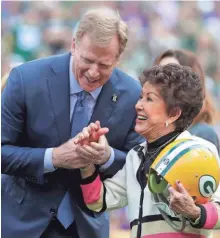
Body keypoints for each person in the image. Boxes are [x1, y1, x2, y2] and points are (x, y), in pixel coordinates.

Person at [1, 7, 144, 238]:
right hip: (22, 224)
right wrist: (54, 157)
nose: (93, 72)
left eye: (105, 65)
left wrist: (106, 156)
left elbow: (141, 165)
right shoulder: (26, 80)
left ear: (118, 59)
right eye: (87, 60)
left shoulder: (132, 94)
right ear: (74, 45)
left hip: (86, 227)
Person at [77, 64, 220, 238]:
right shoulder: (135, 156)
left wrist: (195, 212)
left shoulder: (199, 151)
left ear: (174, 114)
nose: (138, 105)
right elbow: (98, 201)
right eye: (140, 97)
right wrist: (87, 162)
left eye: (149, 99)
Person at [154, 49, 220, 154]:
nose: (162, 80)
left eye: (170, 74)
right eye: (157, 72)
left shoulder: (202, 134)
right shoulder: (148, 131)